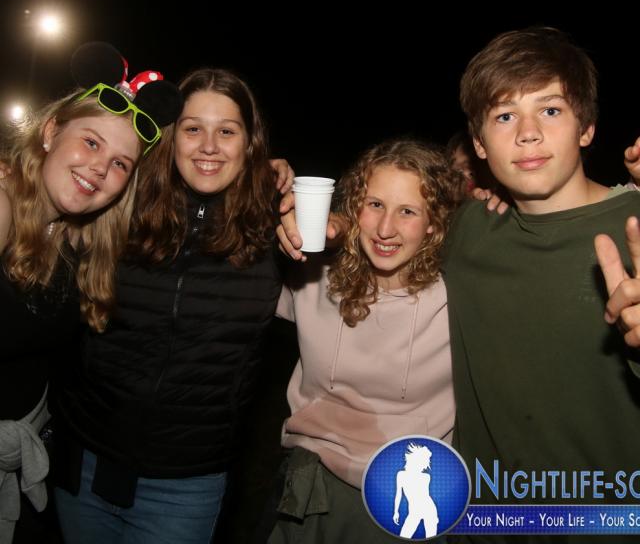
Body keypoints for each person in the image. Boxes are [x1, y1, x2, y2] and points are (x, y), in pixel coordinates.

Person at [53, 67, 293, 544]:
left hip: (185, 487)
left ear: (250, 143)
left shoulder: (276, 227)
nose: (209, 146)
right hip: (85, 462)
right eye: (192, 129)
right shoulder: (120, 207)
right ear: (170, 138)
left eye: (227, 131)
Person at [443, 26, 640, 543]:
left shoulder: (636, 227)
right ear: (479, 144)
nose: (527, 133)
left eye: (550, 110)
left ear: (586, 127)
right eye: (505, 116)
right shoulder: (468, 229)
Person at [0, 42, 182, 543]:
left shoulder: (76, 236)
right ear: (50, 131)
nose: (101, 168)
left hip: (24, 463)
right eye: (91, 142)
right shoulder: (4, 203)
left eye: (121, 163)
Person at [266, 139, 459, 542]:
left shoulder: (455, 301)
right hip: (309, 484)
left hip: (401, 498)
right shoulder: (313, 279)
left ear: (433, 223)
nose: (385, 229)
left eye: (407, 211)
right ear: (354, 208)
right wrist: (258, 182)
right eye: (375, 205)